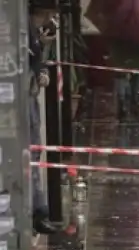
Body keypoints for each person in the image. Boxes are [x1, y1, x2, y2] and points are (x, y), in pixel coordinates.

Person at [29, 0, 59, 235]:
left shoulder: (32, 32)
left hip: (29, 97)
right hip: (23, 101)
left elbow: (36, 60)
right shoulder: (24, 30)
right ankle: (38, 210)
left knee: (34, 151)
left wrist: (42, 71)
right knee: (31, 151)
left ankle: (39, 208)